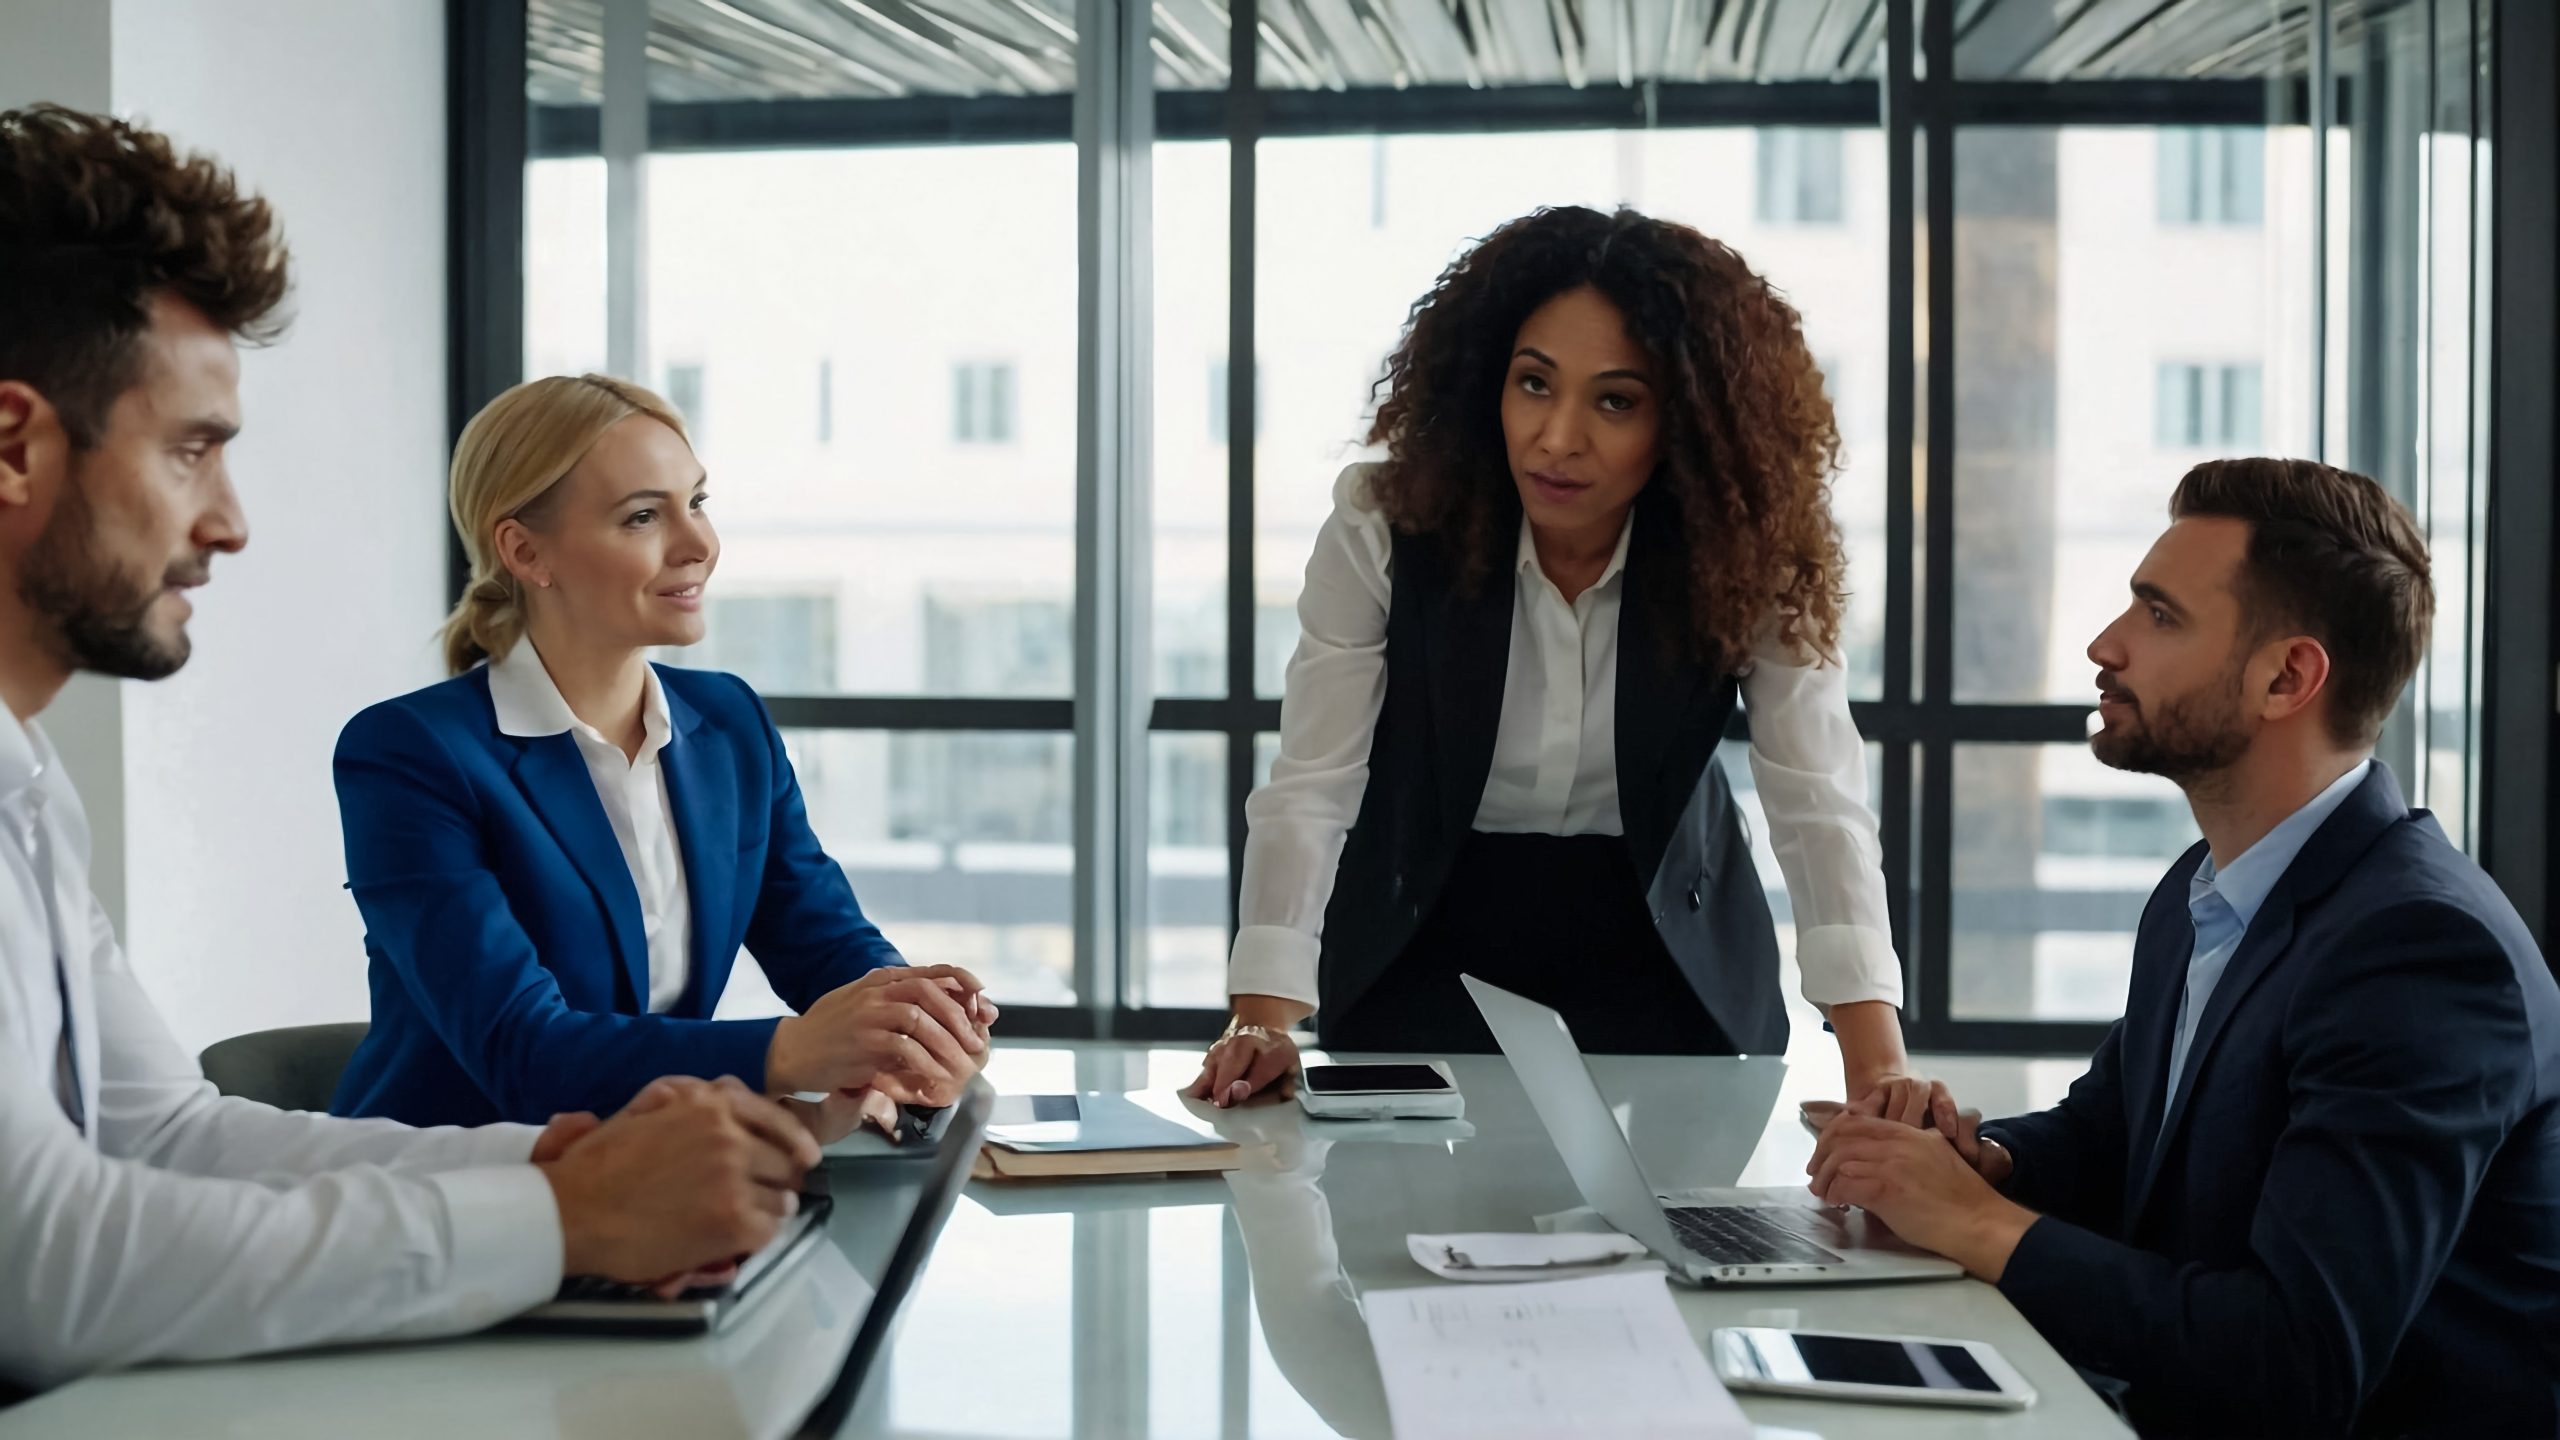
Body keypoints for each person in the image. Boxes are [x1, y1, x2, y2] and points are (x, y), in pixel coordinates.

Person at [0, 104, 826, 1394]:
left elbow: (162, 1136)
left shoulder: (27, 786)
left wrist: (566, 1173)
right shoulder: (412, 751)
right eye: (190, 451)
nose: (230, 523)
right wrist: (567, 1218)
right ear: (16, 445)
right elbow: (40, 1267)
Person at [1806, 459, 2560, 1438]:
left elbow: (2291, 1360)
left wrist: (1971, 1222)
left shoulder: (2418, 953)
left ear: (2286, 677)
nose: (2103, 644)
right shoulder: (2204, 889)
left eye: (2159, 617)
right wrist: (1973, 1159)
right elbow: (2112, 1135)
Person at [1191, 205, 1915, 1110]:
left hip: (1665, 937)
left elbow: (1818, 799)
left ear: (1686, 422)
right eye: (1534, 384)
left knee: (1683, 1231)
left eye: (1616, 401)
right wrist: (1262, 1014)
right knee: (1399, 1228)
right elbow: (1313, 779)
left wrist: (1877, 1068)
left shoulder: (1744, 550)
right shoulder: (1384, 521)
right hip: (1430, 920)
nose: (1558, 437)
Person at [328, 374, 994, 1136]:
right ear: (524, 551)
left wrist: (912, 1019)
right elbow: (523, 1053)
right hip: (457, 1199)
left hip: (666, 1181)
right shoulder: (411, 755)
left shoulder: (729, 723)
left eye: (698, 503)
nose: (699, 544)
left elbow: (824, 941)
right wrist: (794, 1051)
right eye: (644, 516)